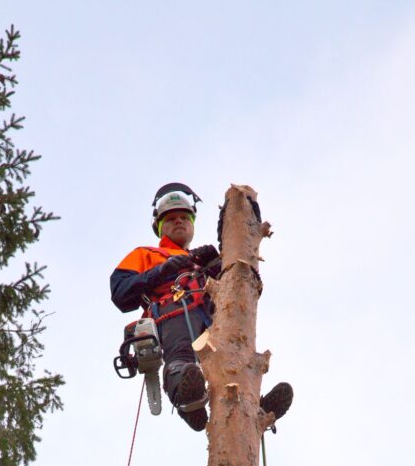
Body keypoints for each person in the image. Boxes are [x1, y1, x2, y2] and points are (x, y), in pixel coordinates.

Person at [110, 183, 292, 431]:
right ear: (159, 226)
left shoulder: (201, 262)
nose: (178, 222)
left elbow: (241, 275)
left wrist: (216, 263)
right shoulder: (146, 254)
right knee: (182, 355)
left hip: (213, 315)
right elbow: (120, 292)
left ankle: (249, 401)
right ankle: (186, 393)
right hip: (172, 312)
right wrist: (162, 270)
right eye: (171, 219)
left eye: (184, 217)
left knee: (235, 350)